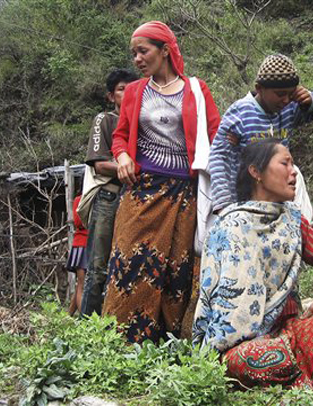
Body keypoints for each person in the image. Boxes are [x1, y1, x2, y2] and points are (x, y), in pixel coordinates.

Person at [193, 139, 313, 398]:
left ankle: (292, 373)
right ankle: (307, 372)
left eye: (293, 164)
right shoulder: (228, 226)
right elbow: (215, 303)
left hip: (290, 332)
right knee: (247, 360)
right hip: (240, 344)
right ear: (256, 172)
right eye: (285, 163)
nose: (293, 172)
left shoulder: (292, 221)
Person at [103, 21, 220, 344]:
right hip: (141, 191)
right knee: (130, 260)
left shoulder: (196, 91)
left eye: (143, 51)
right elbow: (121, 136)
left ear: (165, 51)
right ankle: (121, 341)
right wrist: (123, 156)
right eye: (134, 53)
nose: (137, 59)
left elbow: (216, 136)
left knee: (175, 268)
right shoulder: (136, 92)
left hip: (183, 192)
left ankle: (167, 341)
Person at [208, 54, 313, 220]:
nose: (286, 100)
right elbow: (219, 157)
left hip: (279, 198)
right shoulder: (241, 114)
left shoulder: (289, 109)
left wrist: (310, 100)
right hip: (246, 203)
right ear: (259, 88)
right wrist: (225, 204)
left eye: (291, 94)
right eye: (280, 94)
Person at [79, 69, 138, 316]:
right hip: (109, 197)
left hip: (135, 200)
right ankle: (87, 328)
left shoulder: (141, 123)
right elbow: (99, 163)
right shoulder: (106, 120)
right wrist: (134, 170)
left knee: (127, 265)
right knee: (98, 267)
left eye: (131, 89)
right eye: (121, 89)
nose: (127, 94)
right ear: (111, 96)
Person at [66, 195, 88, 316]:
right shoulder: (79, 199)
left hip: (88, 244)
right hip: (82, 244)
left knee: (81, 284)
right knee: (82, 284)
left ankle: (68, 316)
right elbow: (78, 222)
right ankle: (85, 321)